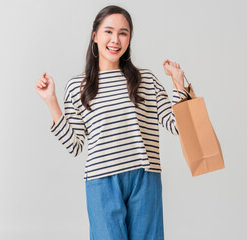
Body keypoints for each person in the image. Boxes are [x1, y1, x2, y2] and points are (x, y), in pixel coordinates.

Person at [36, 5, 188, 240]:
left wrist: (178, 83)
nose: (115, 39)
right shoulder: (79, 86)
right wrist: (51, 101)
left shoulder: (146, 79)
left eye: (123, 33)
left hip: (144, 177)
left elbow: (177, 125)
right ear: (95, 35)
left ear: (129, 39)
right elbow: (74, 146)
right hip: (102, 181)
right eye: (108, 31)